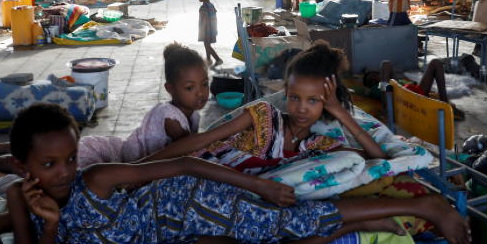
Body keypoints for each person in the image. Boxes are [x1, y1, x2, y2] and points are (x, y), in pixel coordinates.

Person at [4, 104, 470, 244]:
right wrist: (49, 225)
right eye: (49, 165)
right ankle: (355, 222)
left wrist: (259, 184)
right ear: (23, 167)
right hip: (172, 239)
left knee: (283, 222)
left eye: (69, 157)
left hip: (189, 203)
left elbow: (186, 164)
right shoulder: (20, 203)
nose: (65, 171)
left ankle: (422, 203)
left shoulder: (96, 179)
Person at [146, 42, 396, 171]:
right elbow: (203, 141)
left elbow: (379, 159)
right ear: (286, 93)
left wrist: (339, 111)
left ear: (327, 102)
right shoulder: (263, 115)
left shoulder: (318, 146)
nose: (301, 109)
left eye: (313, 101)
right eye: (294, 97)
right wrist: (138, 167)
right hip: (189, 170)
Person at [0, 43, 209, 174]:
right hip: (112, 156)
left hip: (118, 154)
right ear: (170, 89)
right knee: (56, 170)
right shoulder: (172, 119)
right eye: (190, 87)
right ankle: (4, 159)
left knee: (58, 161)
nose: (200, 93)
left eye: (205, 85)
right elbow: (189, 153)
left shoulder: (193, 114)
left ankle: (9, 149)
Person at [198, 0, 222, 67]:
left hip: (207, 30)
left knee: (207, 45)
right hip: (213, 28)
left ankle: (218, 59)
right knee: (207, 45)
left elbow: (205, 21)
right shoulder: (211, 5)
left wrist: (203, 31)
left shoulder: (203, 8)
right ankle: (208, 59)